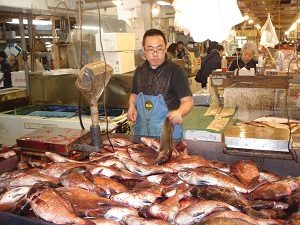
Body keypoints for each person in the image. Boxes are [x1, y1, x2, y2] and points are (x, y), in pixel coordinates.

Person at [127, 29, 193, 139]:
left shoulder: (176, 71)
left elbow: (188, 102)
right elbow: (134, 94)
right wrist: (131, 107)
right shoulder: (139, 70)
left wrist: (179, 113)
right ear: (144, 50)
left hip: (168, 134)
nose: (155, 54)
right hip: (142, 133)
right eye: (150, 49)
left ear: (166, 48)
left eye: (159, 49)